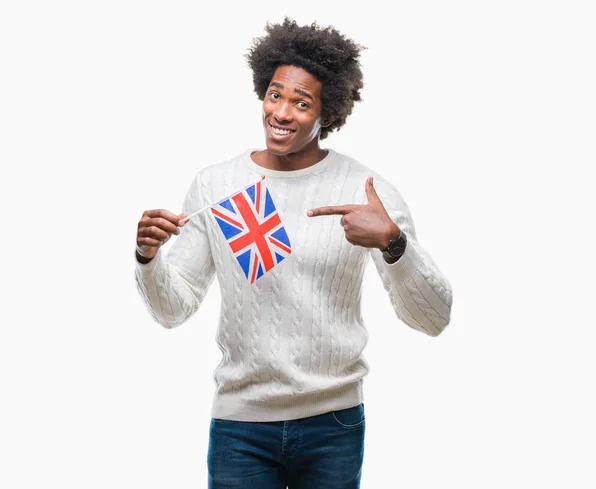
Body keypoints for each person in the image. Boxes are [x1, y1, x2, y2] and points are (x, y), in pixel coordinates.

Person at [134, 17, 452, 489]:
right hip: (240, 425)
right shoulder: (218, 184)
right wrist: (148, 258)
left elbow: (435, 318)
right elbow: (174, 310)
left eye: (302, 103)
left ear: (330, 113)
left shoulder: (364, 189)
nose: (281, 112)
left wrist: (393, 243)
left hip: (334, 423)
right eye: (275, 94)